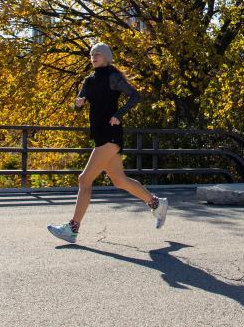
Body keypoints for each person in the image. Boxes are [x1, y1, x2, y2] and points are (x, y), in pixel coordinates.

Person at [48, 43, 167, 243]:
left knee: (84, 180)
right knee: (119, 180)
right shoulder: (89, 80)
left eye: (98, 54)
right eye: (92, 54)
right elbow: (79, 104)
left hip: (110, 134)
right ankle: (156, 203)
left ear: (107, 57)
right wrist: (78, 104)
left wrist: (118, 115)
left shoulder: (113, 76)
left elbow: (134, 96)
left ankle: (72, 228)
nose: (94, 56)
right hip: (99, 134)